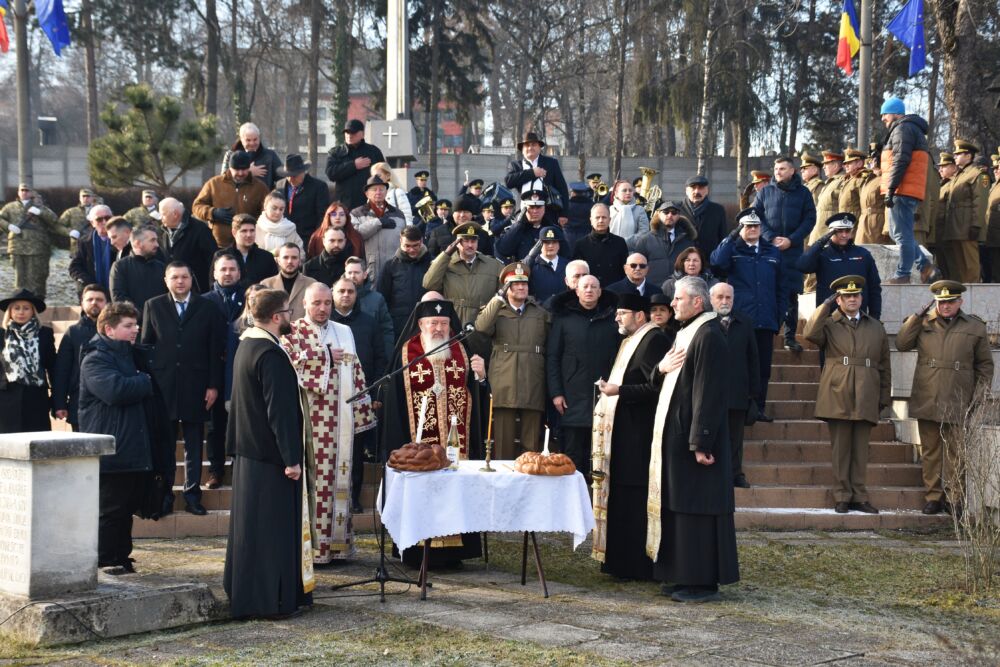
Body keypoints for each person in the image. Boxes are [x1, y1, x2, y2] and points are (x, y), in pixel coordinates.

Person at [224, 288, 314, 618]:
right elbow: (280, 412)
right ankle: (271, 599)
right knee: (271, 531)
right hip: (270, 458)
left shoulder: (247, 345)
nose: (291, 318)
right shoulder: (270, 354)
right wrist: (292, 458)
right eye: (289, 312)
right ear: (277, 317)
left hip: (249, 453)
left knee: (252, 529)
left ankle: (249, 595)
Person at [648, 276, 738, 602]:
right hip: (677, 438)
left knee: (696, 509)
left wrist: (701, 442)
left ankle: (700, 581)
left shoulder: (709, 335)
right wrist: (659, 367)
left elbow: (708, 393)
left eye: (678, 299)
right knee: (679, 508)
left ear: (697, 303)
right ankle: (680, 574)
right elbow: (660, 379)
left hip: (695, 442)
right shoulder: (686, 332)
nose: (672, 304)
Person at [379, 299, 486, 568]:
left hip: (456, 445)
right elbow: (394, 403)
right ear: (420, 325)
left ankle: (455, 554)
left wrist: (482, 378)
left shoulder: (462, 349)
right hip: (417, 447)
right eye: (432, 323)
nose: (438, 328)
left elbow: (480, 395)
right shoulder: (406, 352)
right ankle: (417, 551)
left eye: (443, 323)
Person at [282, 283, 375, 561]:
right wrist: (322, 356)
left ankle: (336, 546)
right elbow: (288, 365)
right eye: (317, 303)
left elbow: (356, 370)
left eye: (327, 303)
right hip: (307, 422)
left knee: (338, 482)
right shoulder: (292, 331)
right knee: (313, 484)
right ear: (305, 304)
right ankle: (311, 549)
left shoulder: (343, 331)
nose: (322, 309)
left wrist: (362, 412)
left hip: (340, 421)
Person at [895, 280, 994, 515]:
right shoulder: (923, 323)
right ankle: (933, 497)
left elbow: (985, 366)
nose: (946, 306)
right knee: (930, 450)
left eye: (950, 301)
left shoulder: (974, 326)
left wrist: (978, 398)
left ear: (960, 301)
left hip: (959, 398)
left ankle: (954, 497)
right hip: (928, 395)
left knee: (955, 452)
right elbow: (901, 343)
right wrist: (917, 316)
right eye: (941, 302)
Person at [592, 293, 670, 581]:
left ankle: (636, 564)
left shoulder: (654, 340)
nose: (617, 318)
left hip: (639, 433)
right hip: (623, 431)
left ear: (640, 316)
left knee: (633, 497)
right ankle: (618, 561)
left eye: (622, 313)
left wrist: (618, 391)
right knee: (620, 496)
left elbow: (655, 388)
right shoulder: (629, 341)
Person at [141, 262, 226, 516]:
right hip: (163, 387)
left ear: (191, 279)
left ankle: (192, 495)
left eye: (184, 277)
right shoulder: (153, 305)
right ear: (166, 280)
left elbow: (214, 350)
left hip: (196, 386)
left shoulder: (207, 307)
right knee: (165, 445)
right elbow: (146, 346)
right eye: (175, 277)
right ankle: (165, 495)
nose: (180, 281)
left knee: (193, 444)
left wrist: (213, 385)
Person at [803, 275, 891, 514]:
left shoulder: (875, 326)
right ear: (839, 299)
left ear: (861, 298)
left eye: (855, 295)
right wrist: (825, 305)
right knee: (841, 449)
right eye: (846, 296)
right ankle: (842, 495)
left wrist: (884, 396)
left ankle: (859, 496)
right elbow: (810, 333)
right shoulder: (829, 323)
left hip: (866, 391)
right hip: (837, 391)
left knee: (861, 450)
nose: (852, 299)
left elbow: (884, 364)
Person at [78, 301, 154, 575]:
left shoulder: (128, 355)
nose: (136, 330)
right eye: (129, 326)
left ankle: (121, 555)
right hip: (112, 448)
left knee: (125, 507)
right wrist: (144, 381)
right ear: (109, 329)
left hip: (130, 445)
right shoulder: (95, 357)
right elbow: (115, 390)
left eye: (136, 324)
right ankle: (105, 559)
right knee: (111, 508)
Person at [711, 208, 784, 422]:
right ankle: (738, 405)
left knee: (762, 367)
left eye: (755, 226)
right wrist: (732, 237)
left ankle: (758, 407)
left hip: (766, 318)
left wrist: (779, 316)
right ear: (740, 228)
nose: (752, 229)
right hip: (740, 319)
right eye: (747, 226)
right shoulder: (732, 249)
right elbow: (716, 264)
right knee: (738, 364)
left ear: (761, 228)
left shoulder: (772, 252)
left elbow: (781, 287)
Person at [475, 262, 550, 459]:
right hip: (504, 381)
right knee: (503, 445)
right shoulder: (495, 311)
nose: (521, 287)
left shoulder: (540, 313)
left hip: (532, 379)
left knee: (531, 444)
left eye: (524, 284)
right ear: (505, 288)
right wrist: (497, 299)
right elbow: (481, 327)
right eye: (514, 284)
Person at [546, 274, 619, 474]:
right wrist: (556, 393)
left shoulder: (612, 318)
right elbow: (553, 357)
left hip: (603, 396)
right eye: (584, 286)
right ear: (576, 291)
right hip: (571, 397)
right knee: (572, 457)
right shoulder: (563, 319)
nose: (589, 290)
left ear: (600, 291)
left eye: (593, 287)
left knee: (599, 457)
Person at [753, 156, 816, 352]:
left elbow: (810, 219)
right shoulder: (765, 192)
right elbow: (756, 216)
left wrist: (792, 240)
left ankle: (789, 337)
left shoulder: (804, 193)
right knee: (766, 291)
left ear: (792, 171)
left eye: (782, 168)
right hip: (767, 250)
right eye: (776, 168)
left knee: (790, 295)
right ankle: (768, 333)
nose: (777, 172)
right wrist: (771, 237)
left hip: (792, 251)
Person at [202, 253, 246, 490]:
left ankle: (239, 468)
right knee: (215, 425)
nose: (228, 273)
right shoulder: (205, 301)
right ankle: (215, 470)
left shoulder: (250, 297)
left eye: (232, 269)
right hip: (215, 370)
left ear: (239, 273)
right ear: (215, 273)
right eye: (223, 269)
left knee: (242, 422)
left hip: (243, 368)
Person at [879, 96, 934, 284]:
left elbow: (901, 159)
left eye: (885, 114)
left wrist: (891, 188)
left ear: (895, 113)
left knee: (902, 235)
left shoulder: (902, 128)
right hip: (906, 189)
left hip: (902, 189)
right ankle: (924, 265)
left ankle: (903, 274)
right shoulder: (908, 128)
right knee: (899, 234)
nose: (882, 118)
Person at [709, 282, 759, 489]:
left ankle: (735, 473)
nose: (724, 301)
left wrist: (753, 394)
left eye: (728, 297)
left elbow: (753, 358)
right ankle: (712, 473)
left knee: (735, 437)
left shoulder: (744, 322)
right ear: (711, 299)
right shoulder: (704, 323)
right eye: (720, 297)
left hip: (737, 390)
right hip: (710, 392)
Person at [796, 212, 882, 319]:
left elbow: (874, 287)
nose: (844, 235)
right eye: (839, 231)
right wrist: (821, 242)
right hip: (829, 318)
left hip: (858, 317)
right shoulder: (823, 254)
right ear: (831, 233)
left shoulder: (863, 254)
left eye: (847, 231)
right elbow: (802, 266)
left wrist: (875, 317)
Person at [423, 222, 503, 326]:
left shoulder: (493, 265)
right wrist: (446, 254)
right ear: (457, 242)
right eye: (465, 241)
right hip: (454, 323)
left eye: (473, 241)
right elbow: (428, 284)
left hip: (484, 324)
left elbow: (504, 296)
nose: (470, 245)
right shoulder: (446, 264)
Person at [52, 284, 108, 430]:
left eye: (99, 299)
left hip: (110, 402)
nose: (94, 303)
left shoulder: (116, 331)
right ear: (82, 303)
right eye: (90, 299)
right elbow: (62, 370)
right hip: (80, 402)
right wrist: (60, 403)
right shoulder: (73, 332)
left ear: (107, 303)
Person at [0, 289, 56, 433]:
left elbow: (52, 367)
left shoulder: (44, 334)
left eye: (26, 308)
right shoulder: (1, 335)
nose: (21, 312)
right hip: (6, 400)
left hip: (36, 399)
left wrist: (57, 401)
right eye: (16, 308)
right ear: (10, 312)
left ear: (33, 311)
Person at [193, 150, 269, 248]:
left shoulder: (259, 187)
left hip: (248, 245)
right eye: (237, 169)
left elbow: (267, 212)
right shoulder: (214, 183)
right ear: (230, 168)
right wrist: (213, 213)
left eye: (244, 169)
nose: (241, 173)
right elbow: (197, 206)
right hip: (218, 245)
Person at [1, 184, 62, 298]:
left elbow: (54, 220)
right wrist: (8, 226)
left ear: (31, 193)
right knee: (19, 279)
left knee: (36, 279)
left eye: (27, 190)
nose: (24, 192)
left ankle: (36, 302)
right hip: (17, 247)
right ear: (18, 192)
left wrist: (40, 212)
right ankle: (20, 302)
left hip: (36, 248)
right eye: (22, 190)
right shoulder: (10, 207)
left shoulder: (39, 207)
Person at [941, 140, 988, 283]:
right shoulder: (959, 176)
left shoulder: (977, 174)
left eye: (959, 154)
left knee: (970, 264)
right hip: (956, 225)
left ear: (968, 156)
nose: (955, 156)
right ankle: (963, 293)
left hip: (967, 226)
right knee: (959, 265)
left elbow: (980, 202)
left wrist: (976, 225)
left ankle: (974, 292)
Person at [377, 225, 431, 337]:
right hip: (398, 325)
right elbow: (382, 297)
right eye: (407, 246)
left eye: (415, 246)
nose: (411, 250)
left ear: (421, 241)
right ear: (400, 241)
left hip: (426, 322)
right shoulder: (389, 266)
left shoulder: (431, 264)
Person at [504, 131, 569, 223]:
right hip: (523, 213)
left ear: (539, 148)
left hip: (548, 213)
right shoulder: (515, 165)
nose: (530, 148)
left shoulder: (551, 163)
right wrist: (532, 173)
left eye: (533, 145)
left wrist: (563, 214)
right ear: (522, 149)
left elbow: (562, 188)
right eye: (527, 145)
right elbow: (509, 182)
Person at [628, 200, 697, 287]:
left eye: (674, 212)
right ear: (659, 214)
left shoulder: (687, 241)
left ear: (679, 215)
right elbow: (636, 266)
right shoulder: (645, 240)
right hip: (652, 289)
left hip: (679, 289)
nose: (670, 215)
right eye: (666, 212)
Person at [157, 197, 218, 294]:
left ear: (175, 214)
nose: (160, 218)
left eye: (163, 214)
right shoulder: (164, 233)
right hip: (173, 290)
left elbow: (213, 259)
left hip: (198, 290)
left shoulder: (200, 230)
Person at [352, 175, 407, 281]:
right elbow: (356, 235)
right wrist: (378, 222)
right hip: (368, 268)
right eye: (374, 189)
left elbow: (404, 239)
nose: (378, 192)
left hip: (395, 267)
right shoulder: (356, 213)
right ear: (367, 194)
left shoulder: (398, 214)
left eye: (381, 189)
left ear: (386, 192)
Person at [326, 119, 386, 211]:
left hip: (368, 204)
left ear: (362, 134)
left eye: (353, 132)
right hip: (344, 205)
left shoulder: (373, 152)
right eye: (347, 132)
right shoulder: (336, 152)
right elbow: (331, 173)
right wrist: (353, 165)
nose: (349, 135)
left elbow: (383, 175)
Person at [343, 256, 395, 361]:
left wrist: (387, 358)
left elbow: (387, 331)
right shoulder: (335, 298)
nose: (352, 276)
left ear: (365, 274)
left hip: (370, 358)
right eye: (349, 273)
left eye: (356, 273)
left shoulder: (377, 299)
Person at [109, 226, 167, 319]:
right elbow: (119, 298)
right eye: (152, 240)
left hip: (162, 322)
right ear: (138, 243)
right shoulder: (120, 267)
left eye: (156, 240)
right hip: (135, 324)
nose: (157, 244)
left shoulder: (162, 267)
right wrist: (144, 316)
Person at [274, 154, 330, 244]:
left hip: (308, 237)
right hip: (284, 237)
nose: (291, 179)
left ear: (303, 171)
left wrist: (316, 237)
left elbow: (322, 215)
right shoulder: (279, 185)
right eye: (288, 175)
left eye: (294, 175)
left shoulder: (319, 187)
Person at [571, 203, 629, 288]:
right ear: (591, 220)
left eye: (604, 217)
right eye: (597, 217)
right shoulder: (581, 244)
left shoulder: (620, 242)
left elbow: (625, 271)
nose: (601, 220)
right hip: (590, 291)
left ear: (609, 220)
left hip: (614, 292)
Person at [260, 244, 318, 322]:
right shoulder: (266, 285)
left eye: (294, 257)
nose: (290, 261)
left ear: (300, 260)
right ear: (278, 260)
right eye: (285, 257)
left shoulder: (312, 284)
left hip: (303, 332)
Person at [220, 122, 284, 189]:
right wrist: (248, 173)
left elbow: (282, 178)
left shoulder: (270, 156)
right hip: (237, 197)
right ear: (241, 139)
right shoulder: (230, 155)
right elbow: (223, 179)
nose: (252, 143)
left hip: (264, 197)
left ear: (259, 138)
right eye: (248, 140)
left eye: (255, 139)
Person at [427, 194, 493, 258]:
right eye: (459, 211)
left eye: (466, 212)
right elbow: (432, 260)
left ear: (472, 214)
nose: (462, 215)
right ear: (453, 213)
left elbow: (489, 260)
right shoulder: (437, 233)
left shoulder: (483, 235)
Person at [68, 205, 115, 294]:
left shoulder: (122, 240)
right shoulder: (84, 242)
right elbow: (74, 267)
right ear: (92, 223)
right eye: (99, 219)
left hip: (116, 290)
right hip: (92, 291)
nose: (104, 222)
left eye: (107, 218)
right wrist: (87, 282)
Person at [679, 175, 728, 260]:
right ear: (686, 191)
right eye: (693, 188)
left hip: (709, 262)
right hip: (683, 261)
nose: (697, 191)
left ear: (707, 190)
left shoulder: (718, 210)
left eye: (701, 188)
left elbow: (722, 238)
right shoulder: (677, 210)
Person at [495, 190, 548, 263]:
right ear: (524, 209)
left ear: (544, 209)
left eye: (538, 207)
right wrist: (518, 224)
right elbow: (503, 250)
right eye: (531, 207)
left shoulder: (552, 229)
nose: (535, 211)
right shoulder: (516, 230)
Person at [227, 214, 279, 285]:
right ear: (234, 233)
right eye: (244, 231)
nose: (249, 235)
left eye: (252, 231)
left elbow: (274, 285)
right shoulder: (222, 256)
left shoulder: (267, 257)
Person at [810, 150, 847, 245]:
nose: (823, 167)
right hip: (821, 232)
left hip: (830, 234)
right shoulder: (829, 182)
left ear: (835, 166)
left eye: (826, 164)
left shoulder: (842, 181)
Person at [525, 226, 567, 304]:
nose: (551, 246)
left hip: (563, 311)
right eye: (547, 242)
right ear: (539, 245)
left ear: (559, 245)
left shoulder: (567, 265)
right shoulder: (531, 264)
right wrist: (530, 257)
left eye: (554, 242)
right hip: (539, 311)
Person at [857, 145, 890, 245]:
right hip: (863, 222)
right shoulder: (869, 179)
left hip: (877, 225)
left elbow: (888, 205)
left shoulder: (885, 178)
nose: (869, 162)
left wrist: (887, 227)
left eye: (872, 159)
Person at [837, 149, 872, 222]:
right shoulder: (847, 179)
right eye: (845, 163)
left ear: (859, 163)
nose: (846, 166)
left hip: (855, 221)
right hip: (846, 221)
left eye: (849, 163)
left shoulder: (862, 179)